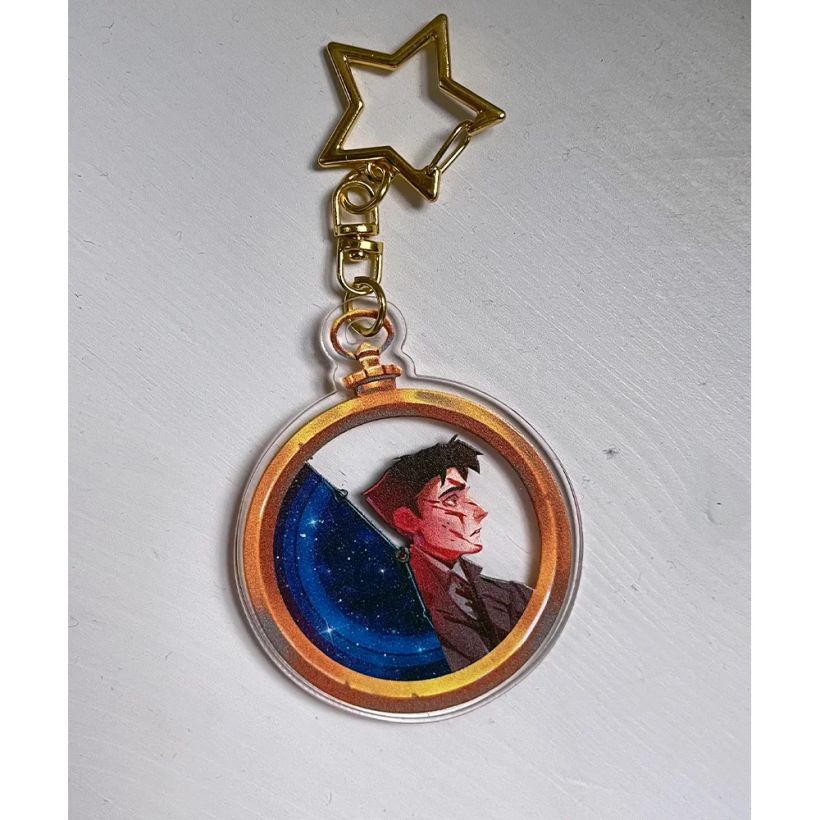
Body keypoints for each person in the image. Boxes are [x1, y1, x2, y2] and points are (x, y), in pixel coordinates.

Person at [363, 436, 532, 673]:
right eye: (452, 500)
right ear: (407, 520)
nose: (479, 511)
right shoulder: (399, 610)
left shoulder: (516, 597)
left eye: (467, 497)